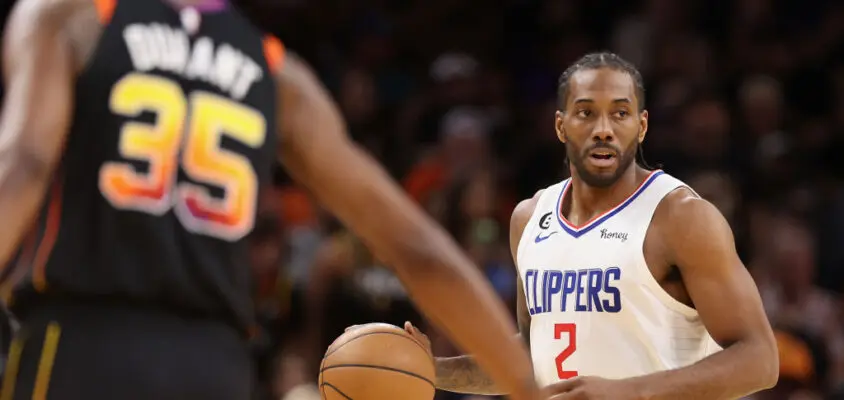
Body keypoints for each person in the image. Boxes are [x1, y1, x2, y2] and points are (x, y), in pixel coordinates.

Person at [0, 0, 539, 398]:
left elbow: (22, 167)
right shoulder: (277, 72)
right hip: (213, 367)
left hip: (81, 341)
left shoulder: (70, 18)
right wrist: (528, 387)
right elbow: (415, 247)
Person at [405, 52, 779, 399]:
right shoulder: (529, 218)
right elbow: (532, 354)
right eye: (585, 113)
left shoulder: (680, 217)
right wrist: (433, 371)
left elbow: (760, 360)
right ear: (560, 125)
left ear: (642, 125)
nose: (604, 129)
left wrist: (629, 393)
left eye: (620, 113)